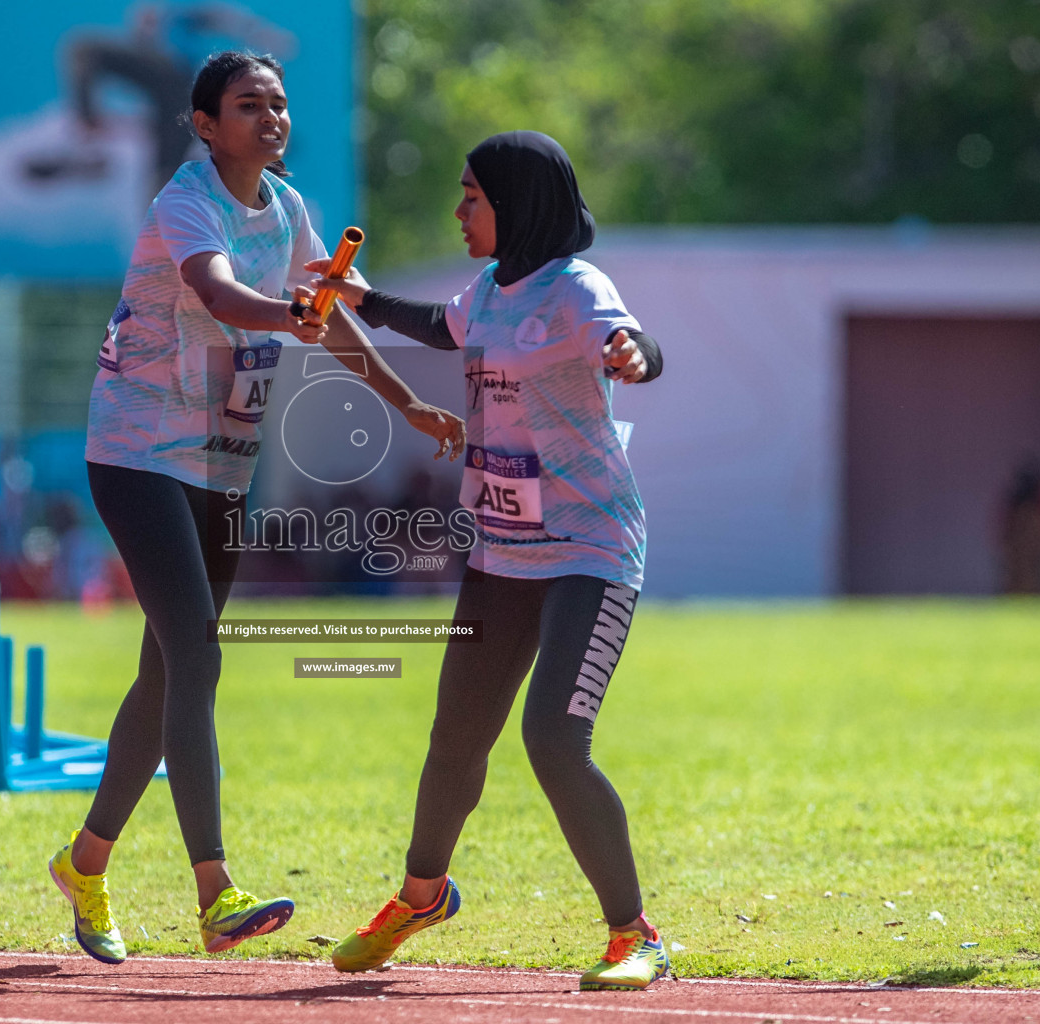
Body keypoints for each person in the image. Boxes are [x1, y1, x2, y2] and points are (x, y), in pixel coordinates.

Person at [50, 50, 464, 966]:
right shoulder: (185, 201)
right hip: (138, 452)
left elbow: (330, 315)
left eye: (278, 103)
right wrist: (287, 319)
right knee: (197, 657)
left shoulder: (291, 208)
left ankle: (85, 864)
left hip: (223, 465)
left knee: (170, 674)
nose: (271, 117)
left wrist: (408, 404)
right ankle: (214, 892)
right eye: (249, 105)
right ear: (204, 123)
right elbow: (217, 291)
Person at [307, 130, 670, 991]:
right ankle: (421, 896)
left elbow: (639, 347)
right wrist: (367, 299)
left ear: (517, 202)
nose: (459, 210)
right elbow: (447, 326)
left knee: (553, 737)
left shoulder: (578, 290)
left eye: (472, 196)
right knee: (456, 736)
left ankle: (635, 936)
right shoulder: (491, 288)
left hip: (589, 548)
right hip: (503, 550)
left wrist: (633, 358)